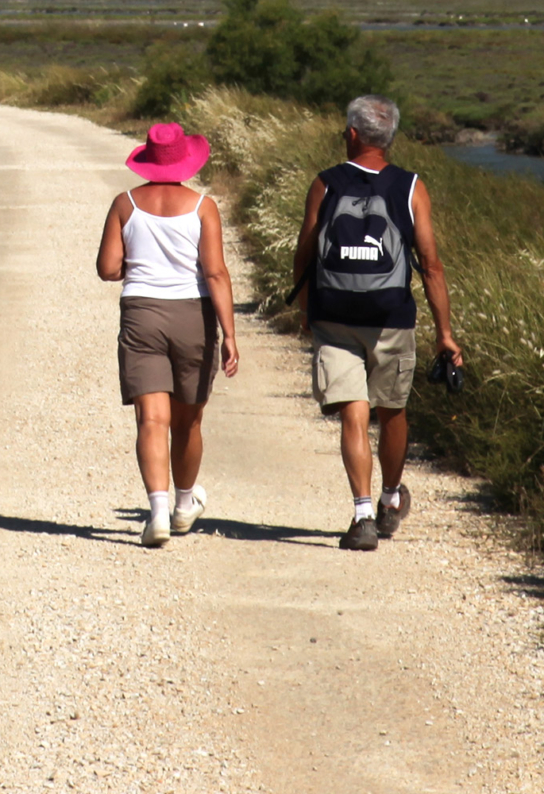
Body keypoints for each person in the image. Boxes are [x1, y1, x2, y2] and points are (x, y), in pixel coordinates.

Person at [293, 95, 462, 552]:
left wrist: (307, 309)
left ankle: (362, 514)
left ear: (352, 133)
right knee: (392, 411)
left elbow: (305, 253)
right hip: (392, 318)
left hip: (335, 317)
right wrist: (444, 334)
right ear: (389, 139)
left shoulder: (325, 184)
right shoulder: (411, 187)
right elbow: (431, 264)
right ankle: (390, 499)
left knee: (353, 409)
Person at [97, 122, 239, 548]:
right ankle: (182, 504)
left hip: (141, 313)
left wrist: (137, 265)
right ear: (185, 160)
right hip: (192, 316)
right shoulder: (203, 206)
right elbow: (214, 272)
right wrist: (229, 334)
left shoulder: (125, 204)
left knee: (151, 419)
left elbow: (107, 269)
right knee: (189, 420)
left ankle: (157, 512)